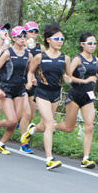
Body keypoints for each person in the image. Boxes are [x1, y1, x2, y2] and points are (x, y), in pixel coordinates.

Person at [55, 32, 98, 168]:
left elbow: (92, 74)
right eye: (89, 43)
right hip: (75, 95)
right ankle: (51, 127)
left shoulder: (95, 59)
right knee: (69, 127)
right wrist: (85, 80)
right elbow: (67, 77)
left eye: (94, 43)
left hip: (88, 96)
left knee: (90, 126)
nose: (93, 46)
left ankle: (86, 158)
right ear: (82, 45)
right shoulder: (77, 59)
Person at [23, 23, 71, 170]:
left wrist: (68, 79)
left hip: (56, 93)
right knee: (50, 123)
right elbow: (31, 71)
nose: (60, 41)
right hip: (42, 92)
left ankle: (31, 131)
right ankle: (50, 158)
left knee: (44, 126)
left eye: (62, 39)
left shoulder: (66, 58)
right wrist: (30, 81)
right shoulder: (40, 57)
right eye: (57, 38)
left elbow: (68, 75)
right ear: (48, 40)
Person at [0, 26, 32, 154]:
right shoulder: (8, 53)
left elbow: (30, 71)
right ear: (13, 38)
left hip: (20, 89)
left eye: (24, 36)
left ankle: (1, 144)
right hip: (6, 89)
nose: (22, 39)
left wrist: (30, 81)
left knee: (14, 122)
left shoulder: (28, 55)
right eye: (19, 36)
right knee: (12, 120)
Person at [19, 21, 45, 154]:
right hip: (22, 82)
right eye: (31, 31)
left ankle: (22, 128)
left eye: (36, 31)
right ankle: (24, 142)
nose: (33, 34)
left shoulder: (41, 48)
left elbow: (44, 62)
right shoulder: (20, 44)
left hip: (35, 83)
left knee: (31, 115)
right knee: (26, 113)